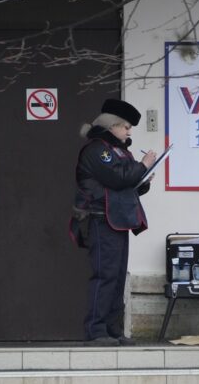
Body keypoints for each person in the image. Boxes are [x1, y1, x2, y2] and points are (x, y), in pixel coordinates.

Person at [69, 98, 157, 346]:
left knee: (118, 278)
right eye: (126, 127)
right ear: (112, 125)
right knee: (105, 276)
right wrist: (143, 165)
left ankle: (112, 329)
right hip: (100, 221)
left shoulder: (119, 149)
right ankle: (95, 330)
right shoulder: (98, 149)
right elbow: (118, 177)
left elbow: (126, 185)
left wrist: (144, 180)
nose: (129, 132)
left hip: (117, 220)